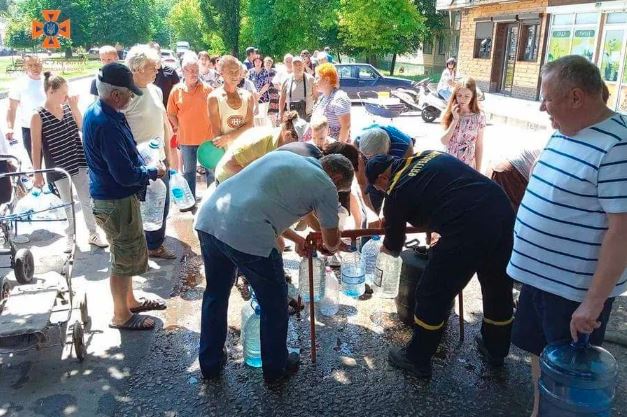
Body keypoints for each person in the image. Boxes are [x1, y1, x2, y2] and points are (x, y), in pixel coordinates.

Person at [507, 55, 627, 417]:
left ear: (576, 97)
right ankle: (540, 411)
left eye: (547, 98)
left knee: (570, 377)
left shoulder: (618, 145)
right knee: (540, 357)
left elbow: (622, 230)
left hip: (572, 294)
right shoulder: (565, 129)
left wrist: (592, 303)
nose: (542, 107)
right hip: (540, 282)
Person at [193, 151, 353, 382]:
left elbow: (267, 209)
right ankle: (276, 369)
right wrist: (337, 245)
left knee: (216, 294)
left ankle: (210, 363)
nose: (335, 193)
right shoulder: (326, 185)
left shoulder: (286, 158)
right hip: (247, 233)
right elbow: (330, 240)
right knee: (274, 304)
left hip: (210, 218)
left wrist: (299, 240)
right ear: (336, 178)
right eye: (339, 191)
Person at [365, 151, 515, 378]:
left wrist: (383, 249)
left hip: (466, 224)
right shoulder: (428, 155)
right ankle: (496, 349)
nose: (380, 192)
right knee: (497, 285)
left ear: (381, 180)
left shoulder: (397, 191)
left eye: (377, 189)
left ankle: (417, 358)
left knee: (431, 293)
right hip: (499, 207)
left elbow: (394, 246)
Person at [83, 63, 167, 331]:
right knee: (121, 258)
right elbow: (124, 174)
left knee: (127, 252)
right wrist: (152, 171)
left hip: (114, 197)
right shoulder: (105, 122)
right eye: (129, 93)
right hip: (114, 199)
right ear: (116, 95)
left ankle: (129, 301)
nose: (132, 97)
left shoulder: (103, 111)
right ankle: (121, 315)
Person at [30, 72, 108, 251]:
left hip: (77, 158)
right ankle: (70, 236)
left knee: (86, 198)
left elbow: (82, 127)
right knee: (67, 202)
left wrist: (74, 107)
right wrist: (37, 173)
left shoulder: (66, 107)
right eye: (63, 92)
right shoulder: (38, 115)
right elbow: (36, 147)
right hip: (57, 165)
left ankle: (92, 233)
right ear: (51, 91)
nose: (67, 96)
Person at [123, 45, 176, 259]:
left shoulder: (155, 90)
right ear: (136, 68)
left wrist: (169, 156)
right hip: (137, 162)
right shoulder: (125, 95)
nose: (157, 71)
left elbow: (163, 125)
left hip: (159, 159)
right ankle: (137, 249)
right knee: (136, 208)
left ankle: (155, 246)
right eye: (152, 67)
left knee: (161, 204)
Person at [167, 53, 213, 199]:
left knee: (211, 171)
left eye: (196, 69)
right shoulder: (176, 91)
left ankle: (212, 199)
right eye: (190, 70)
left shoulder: (208, 90)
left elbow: (215, 113)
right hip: (187, 139)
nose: (194, 73)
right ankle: (190, 199)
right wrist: (178, 128)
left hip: (207, 139)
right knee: (189, 172)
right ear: (183, 71)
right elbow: (171, 114)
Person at [214, 111, 307, 183]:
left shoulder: (284, 145)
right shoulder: (260, 141)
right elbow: (229, 165)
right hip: (227, 180)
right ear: (288, 135)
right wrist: (257, 178)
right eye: (299, 143)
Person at [355, 125, 414, 213]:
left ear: (389, 147)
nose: (372, 161)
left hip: (397, 157)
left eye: (376, 157)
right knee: (373, 191)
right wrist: (372, 212)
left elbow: (404, 182)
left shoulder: (404, 146)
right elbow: (362, 181)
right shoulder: (358, 143)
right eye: (368, 157)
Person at [208, 55, 255, 150]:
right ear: (221, 73)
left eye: (237, 71)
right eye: (230, 71)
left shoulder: (248, 97)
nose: (235, 75)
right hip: (225, 153)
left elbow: (249, 125)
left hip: (245, 151)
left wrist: (228, 137)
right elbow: (216, 133)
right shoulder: (214, 98)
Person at [440, 77, 486, 171]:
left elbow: (479, 145)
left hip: (467, 163)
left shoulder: (479, 116)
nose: (462, 99)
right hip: (449, 161)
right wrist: (455, 119)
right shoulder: (450, 112)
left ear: (473, 96)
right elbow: (444, 141)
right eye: (459, 95)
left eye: (467, 96)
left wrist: (478, 171)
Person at [6, 55, 46, 161]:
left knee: (55, 164)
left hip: (50, 127)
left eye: (37, 64)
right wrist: (10, 127)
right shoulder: (19, 84)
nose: (34, 68)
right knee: (36, 163)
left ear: (42, 64)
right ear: (25, 66)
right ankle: (38, 177)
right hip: (29, 129)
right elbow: (11, 108)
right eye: (30, 65)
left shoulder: (49, 81)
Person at [309, 63, 351, 142]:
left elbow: (346, 126)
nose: (314, 82)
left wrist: (339, 147)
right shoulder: (323, 97)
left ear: (327, 79)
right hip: (321, 145)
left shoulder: (339, 98)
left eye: (317, 78)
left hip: (333, 148)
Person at [279, 55, 315, 122]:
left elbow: (316, 98)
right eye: (295, 64)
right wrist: (280, 114)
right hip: (291, 118)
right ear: (292, 66)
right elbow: (282, 98)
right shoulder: (286, 80)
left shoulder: (311, 80)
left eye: (300, 64)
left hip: (308, 118)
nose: (298, 67)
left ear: (303, 65)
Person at [264, 57, 280, 126]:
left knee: (274, 109)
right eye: (267, 62)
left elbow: (278, 81)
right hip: (265, 93)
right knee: (267, 110)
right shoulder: (262, 71)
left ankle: (275, 123)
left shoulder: (275, 72)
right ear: (264, 63)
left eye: (269, 63)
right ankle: (271, 124)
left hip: (273, 92)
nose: (268, 64)